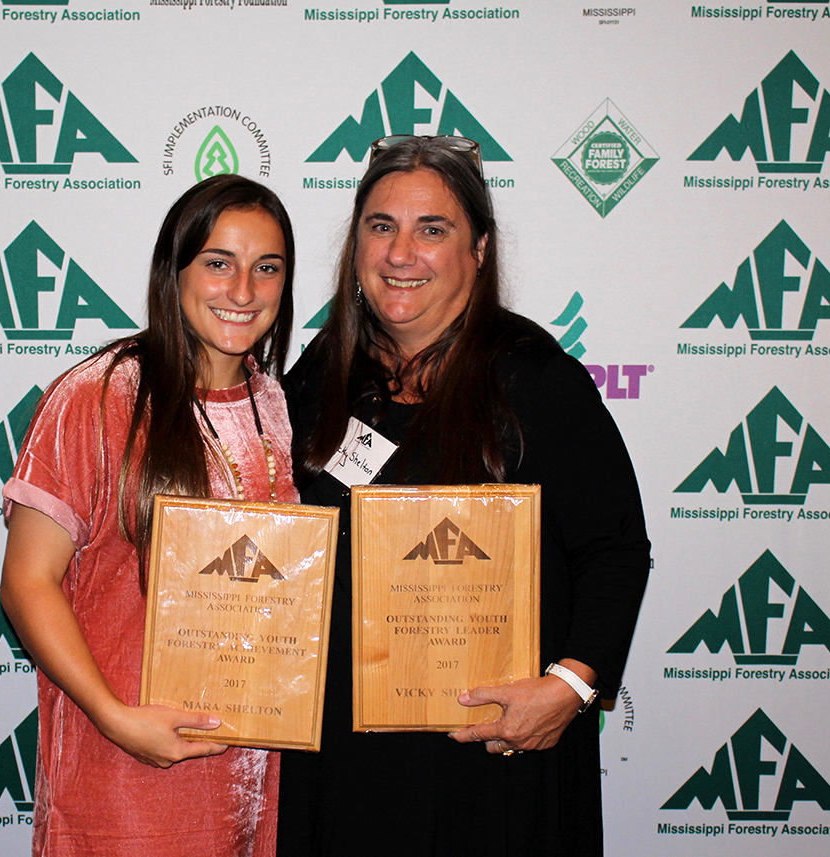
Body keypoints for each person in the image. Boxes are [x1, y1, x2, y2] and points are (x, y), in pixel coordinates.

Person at [277, 136, 650, 856]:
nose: (399, 252)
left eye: (433, 229)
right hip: (348, 765)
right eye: (380, 226)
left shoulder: (536, 380)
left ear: (479, 249)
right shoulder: (322, 375)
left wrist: (569, 689)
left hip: (491, 762)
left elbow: (614, 549)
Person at [0, 174, 300, 857]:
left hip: (253, 776)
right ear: (175, 270)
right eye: (219, 264)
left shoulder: (280, 408)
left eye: (267, 268)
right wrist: (116, 717)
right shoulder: (99, 395)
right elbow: (26, 582)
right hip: (123, 777)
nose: (243, 291)